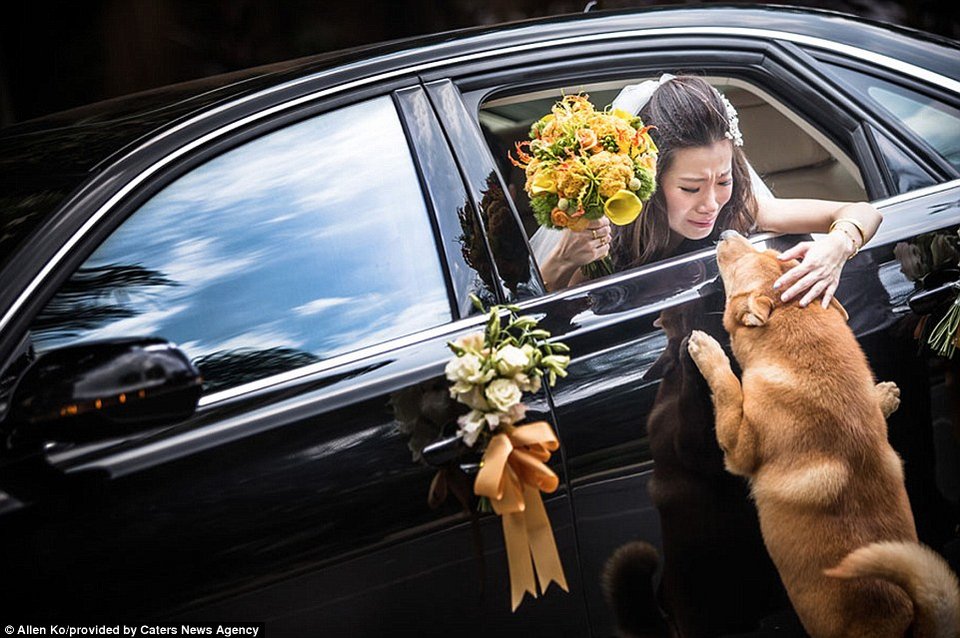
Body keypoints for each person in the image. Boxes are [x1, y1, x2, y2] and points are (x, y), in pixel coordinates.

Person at [537, 74, 882, 309]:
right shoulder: (605, 239)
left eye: (723, 180)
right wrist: (562, 261)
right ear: (650, 184)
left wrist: (838, 247)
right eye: (690, 188)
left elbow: (862, 212)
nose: (711, 204)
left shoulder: (740, 207)